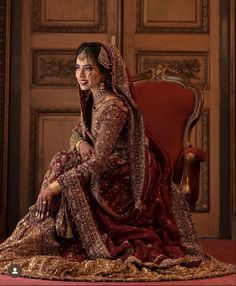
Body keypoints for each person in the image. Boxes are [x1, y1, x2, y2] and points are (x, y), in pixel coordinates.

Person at [0, 42, 235, 282]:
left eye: (88, 68)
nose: (80, 75)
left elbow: (99, 161)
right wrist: (81, 144)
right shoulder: (93, 99)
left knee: (64, 166)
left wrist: (54, 187)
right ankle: (39, 233)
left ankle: (42, 231)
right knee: (65, 158)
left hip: (124, 174)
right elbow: (77, 133)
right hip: (106, 164)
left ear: (104, 72)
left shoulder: (113, 108)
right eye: (77, 67)